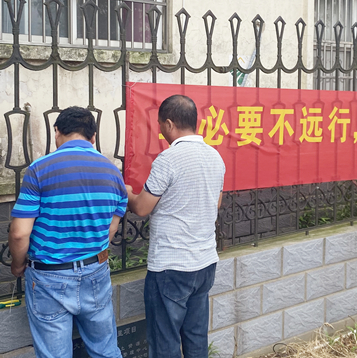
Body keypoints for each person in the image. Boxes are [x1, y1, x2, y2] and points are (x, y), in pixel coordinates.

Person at [9, 106, 126, 358]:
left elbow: (19, 233)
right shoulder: (113, 171)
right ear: (93, 137)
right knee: (106, 350)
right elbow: (112, 225)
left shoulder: (39, 169)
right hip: (96, 271)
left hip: (49, 276)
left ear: (57, 132)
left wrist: (17, 265)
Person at [126, 95, 225, 358]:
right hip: (205, 263)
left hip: (171, 266)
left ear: (169, 123)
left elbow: (142, 208)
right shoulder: (215, 156)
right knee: (196, 338)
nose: (160, 129)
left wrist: (127, 193)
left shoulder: (168, 159)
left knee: (165, 344)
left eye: (161, 124)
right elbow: (215, 204)